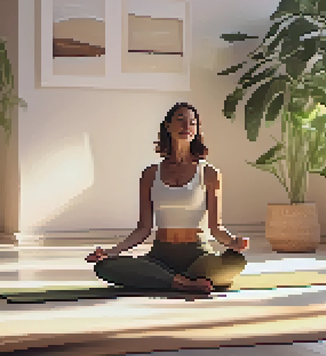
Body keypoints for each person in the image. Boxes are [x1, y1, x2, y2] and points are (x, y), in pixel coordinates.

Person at [85, 102, 249, 294]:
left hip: (198, 256)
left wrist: (233, 242)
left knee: (236, 262)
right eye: (180, 120)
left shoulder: (209, 173)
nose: (186, 126)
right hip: (160, 256)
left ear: (196, 131)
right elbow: (143, 228)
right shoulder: (150, 174)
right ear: (168, 126)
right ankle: (184, 283)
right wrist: (111, 252)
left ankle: (168, 280)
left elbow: (216, 227)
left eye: (192, 122)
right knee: (104, 267)